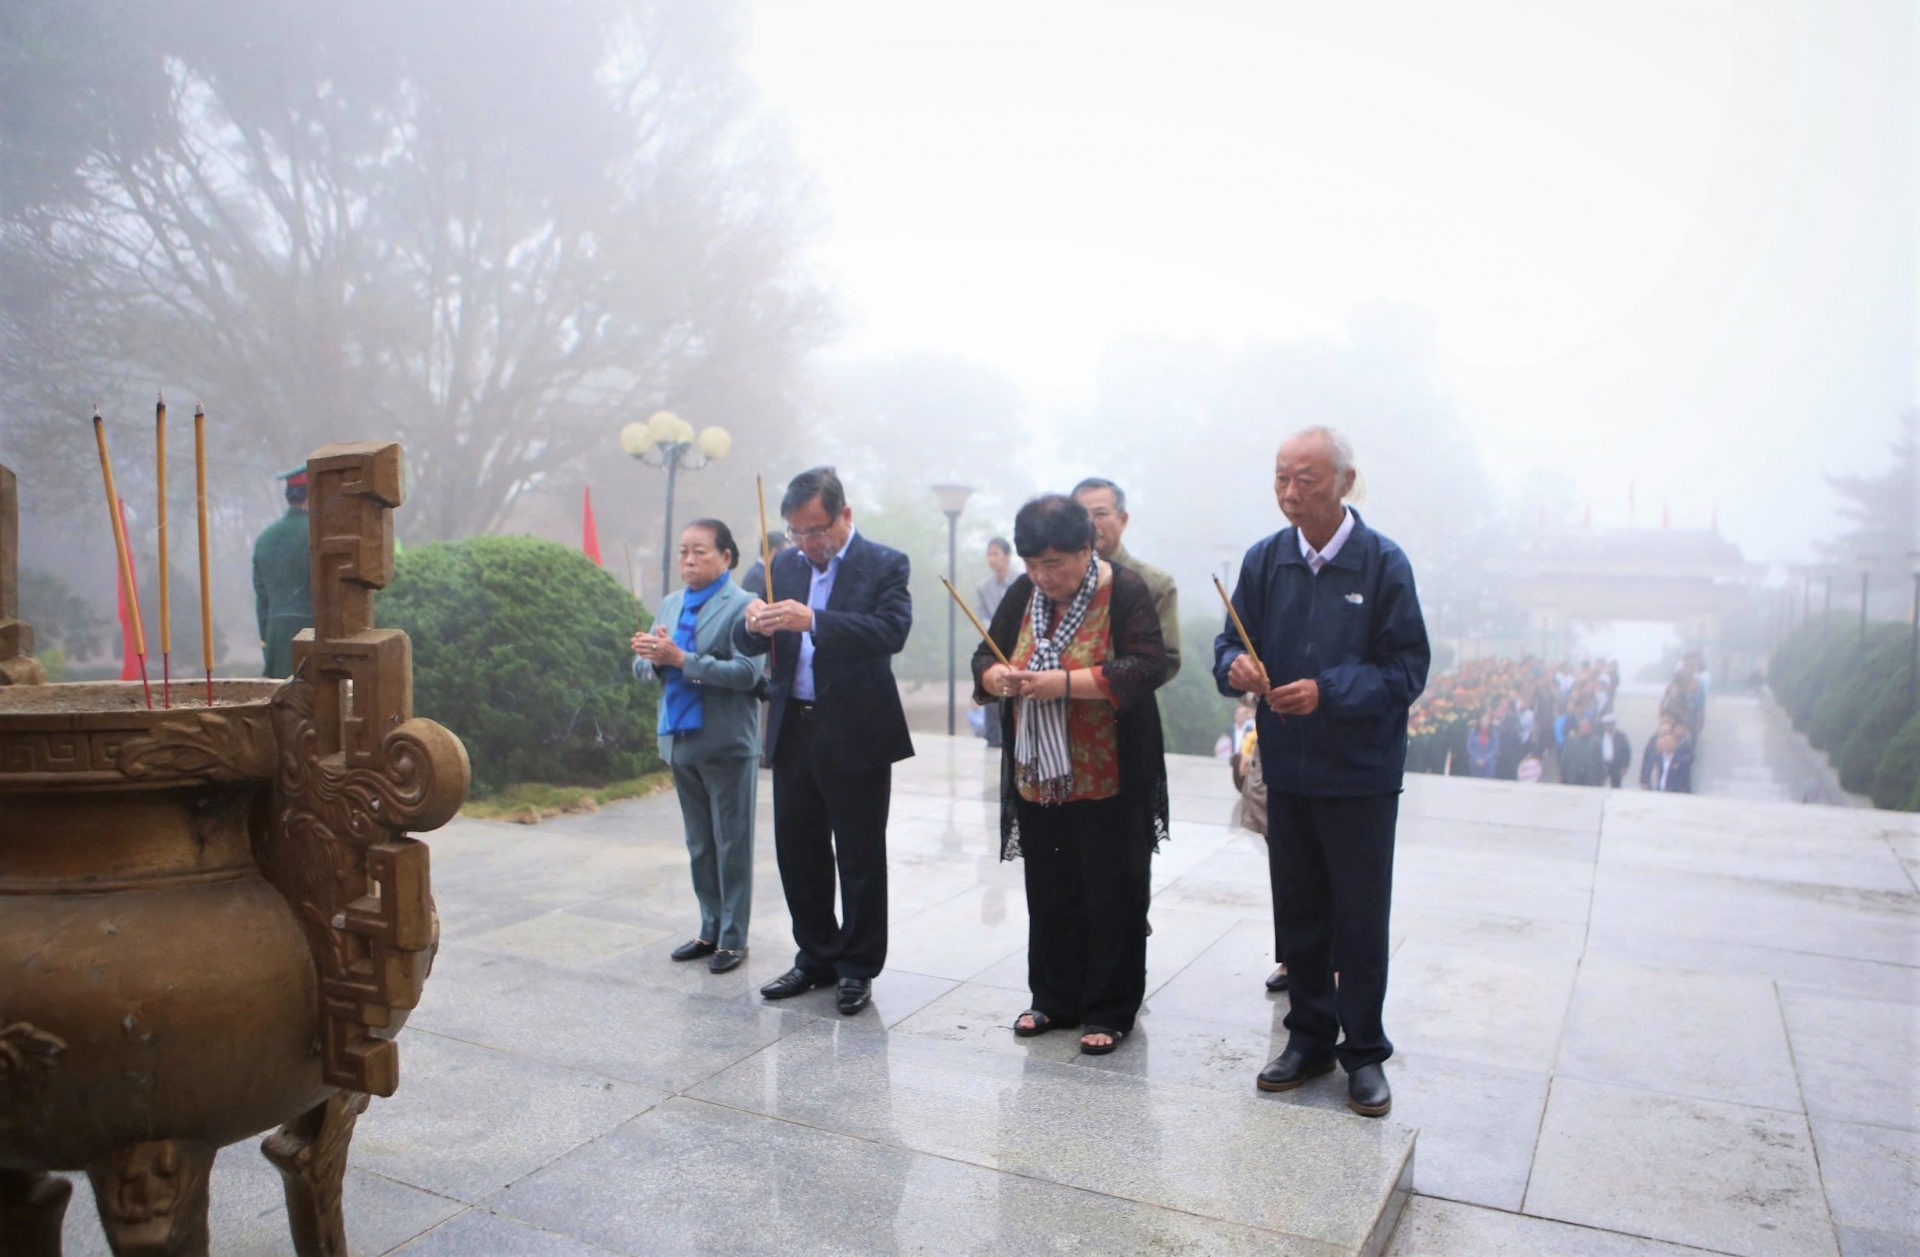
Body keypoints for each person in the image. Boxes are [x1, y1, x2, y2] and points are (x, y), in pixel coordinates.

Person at [1215, 425, 1429, 1118]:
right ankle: (1307, 1037)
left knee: (1359, 917)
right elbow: (1226, 643)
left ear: (1344, 481)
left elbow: (1406, 670)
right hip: (1290, 770)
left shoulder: (1382, 563)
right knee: (1300, 911)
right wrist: (1234, 667)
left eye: (1306, 477)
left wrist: (1327, 691)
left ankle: (1364, 1051)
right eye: (1281, 477)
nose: (1290, 491)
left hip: (1360, 774)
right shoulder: (1265, 560)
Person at [973, 494, 1169, 1056]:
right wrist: (999, 679)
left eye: (1055, 564)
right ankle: (1053, 997)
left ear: (1087, 550)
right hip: (1041, 774)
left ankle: (1110, 1008)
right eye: (1033, 565)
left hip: (1110, 770)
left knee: (1113, 890)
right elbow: (983, 659)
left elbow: (1147, 665)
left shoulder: (1124, 589)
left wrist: (1063, 683)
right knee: (1050, 888)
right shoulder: (1023, 593)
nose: (1043, 576)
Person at [735, 467, 913, 1015]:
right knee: (799, 849)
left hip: (856, 727)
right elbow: (744, 637)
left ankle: (857, 966)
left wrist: (814, 619)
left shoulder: (884, 562)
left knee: (858, 853)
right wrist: (752, 621)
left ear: (844, 516)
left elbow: (891, 632)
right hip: (794, 726)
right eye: (796, 532)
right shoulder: (779, 566)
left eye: (816, 530)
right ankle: (814, 954)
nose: (807, 544)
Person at [631, 520, 764, 973]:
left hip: (725, 742)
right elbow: (644, 667)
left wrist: (682, 659)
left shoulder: (745, 606)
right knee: (700, 843)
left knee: (733, 843)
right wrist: (650, 656)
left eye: (700, 552)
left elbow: (748, 673)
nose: (689, 560)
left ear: (726, 557)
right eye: (684, 552)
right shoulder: (670, 603)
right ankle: (708, 927)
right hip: (679, 738)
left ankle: (733, 938)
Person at [1071, 478, 1181, 680]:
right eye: (1082, 516)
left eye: (1100, 514)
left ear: (1123, 520)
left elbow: (1167, 659)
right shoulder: (1056, 581)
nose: (1091, 524)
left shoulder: (1155, 584)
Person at [252, 465, 313, 678]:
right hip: (314, 640)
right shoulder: (320, 534)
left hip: (276, 643)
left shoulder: (264, 539)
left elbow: (262, 603)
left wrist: (267, 642)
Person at [975, 537, 1016, 747]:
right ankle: (992, 737)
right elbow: (981, 615)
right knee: (991, 682)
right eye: (989, 554)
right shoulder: (983, 587)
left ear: (1008, 556)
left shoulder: (1022, 581)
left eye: (996, 554)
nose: (992, 559)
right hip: (992, 642)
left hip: (1016, 642)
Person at [1560, 716, 1604, 787]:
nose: (1585, 729)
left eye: (1586, 727)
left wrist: (1602, 778)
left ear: (1590, 728)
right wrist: (1561, 774)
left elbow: (1600, 761)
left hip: (1590, 779)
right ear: (1579, 728)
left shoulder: (1597, 743)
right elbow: (1565, 758)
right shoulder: (1571, 741)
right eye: (1582, 727)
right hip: (1574, 777)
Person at [1599, 711, 1632, 788]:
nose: (1608, 727)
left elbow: (1626, 752)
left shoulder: (1620, 736)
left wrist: (1625, 766)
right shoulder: (1600, 736)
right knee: (1600, 783)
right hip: (1603, 764)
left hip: (1616, 765)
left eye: (1610, 724)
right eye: (1606, 725)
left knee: (1616, 785)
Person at [1467, 711, 1500, 778]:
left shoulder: (1494, 734)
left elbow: (1494, 749)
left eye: (1487, 720)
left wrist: (1485, 760)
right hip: (1475, 763)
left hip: (1489, 764)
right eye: (1483, 720)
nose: (1485, 722)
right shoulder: (1473, 732)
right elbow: (1470, 747)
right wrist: (1477, 759)